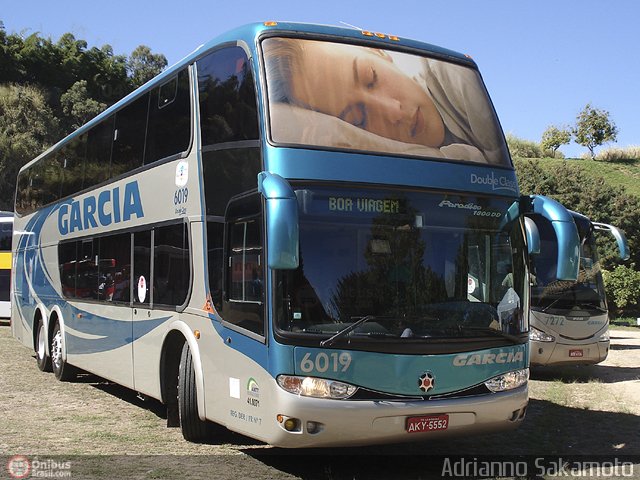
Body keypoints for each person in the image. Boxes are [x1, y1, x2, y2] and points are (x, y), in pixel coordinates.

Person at [263, 37, 507, 164]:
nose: (394, 112)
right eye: (358, 120)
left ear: (379, 52)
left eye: (371, 78)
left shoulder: (454, 76)